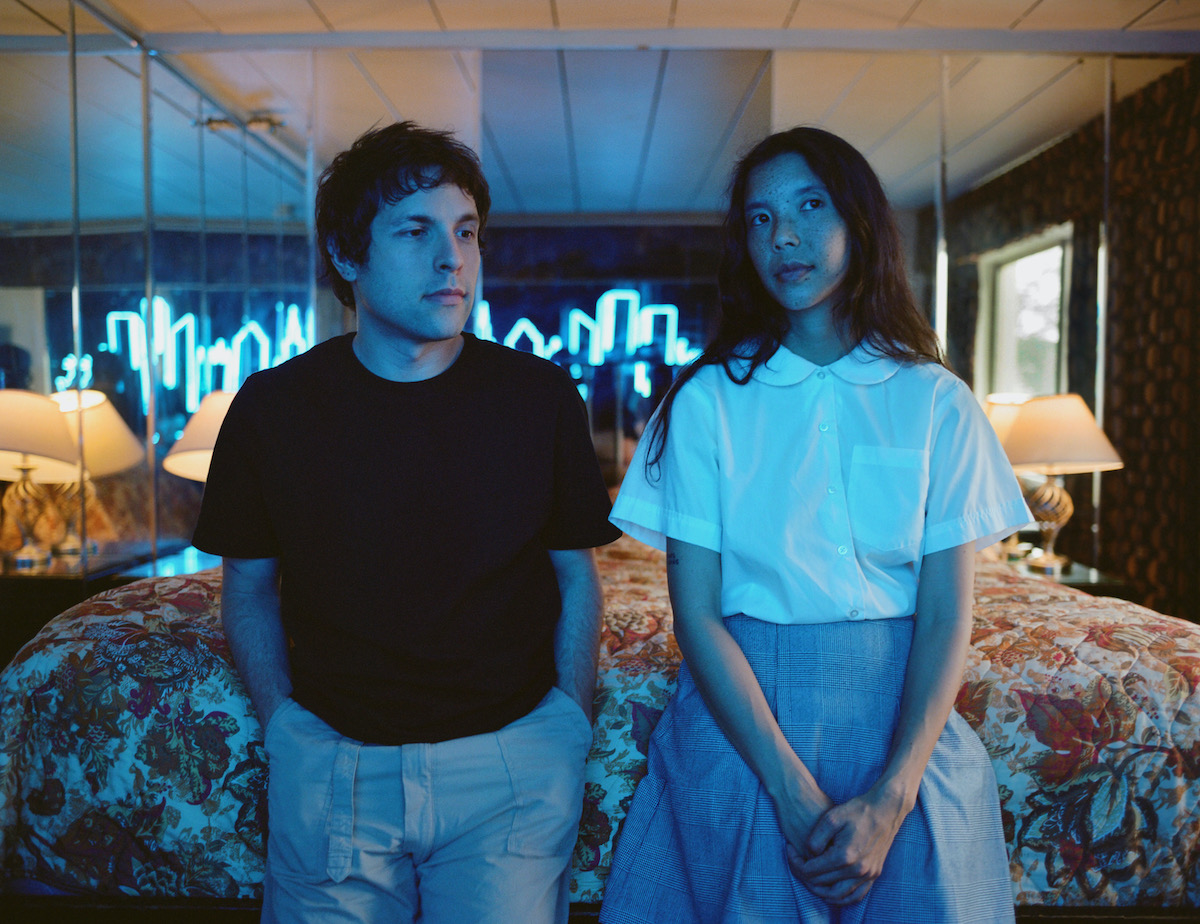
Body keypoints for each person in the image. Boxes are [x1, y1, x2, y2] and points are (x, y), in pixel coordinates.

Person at [193, 120, 621, 924]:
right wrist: (284, 726)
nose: (452, 258)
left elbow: (576, 572)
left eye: (466, 232)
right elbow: (246, 586)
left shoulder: (540, 397)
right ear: (347, 256)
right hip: (334, 764)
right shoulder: (272, 408)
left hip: (510, 765)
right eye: (416, 231)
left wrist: (568, 718)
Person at [599, 126, 1031, 923]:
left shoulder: (937, 401)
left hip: (901, 716)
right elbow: (696, 615)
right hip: (745, 718)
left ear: (858, 222)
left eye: (809, 206)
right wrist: (789, 789)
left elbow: (946, 614)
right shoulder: (706, 401)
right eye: (760, 219)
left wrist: (896, 793)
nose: (784, 236)